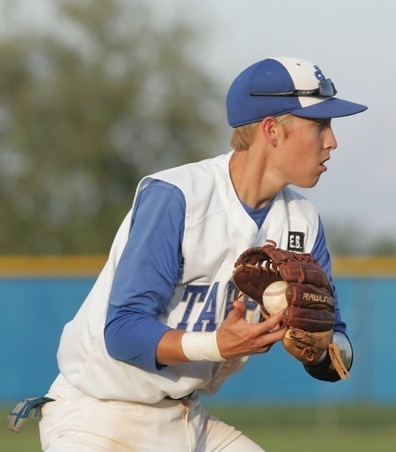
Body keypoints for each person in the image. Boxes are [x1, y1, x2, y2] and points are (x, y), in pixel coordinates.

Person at [35, 56, 366, 450]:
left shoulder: (302, 222)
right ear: (271, 130)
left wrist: (316, 349)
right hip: (98, 416)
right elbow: (122, 332)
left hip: (186, 419)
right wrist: (217, 347)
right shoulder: (178, 197)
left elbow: (337, 349)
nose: (332, 141)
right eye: (320, 125)